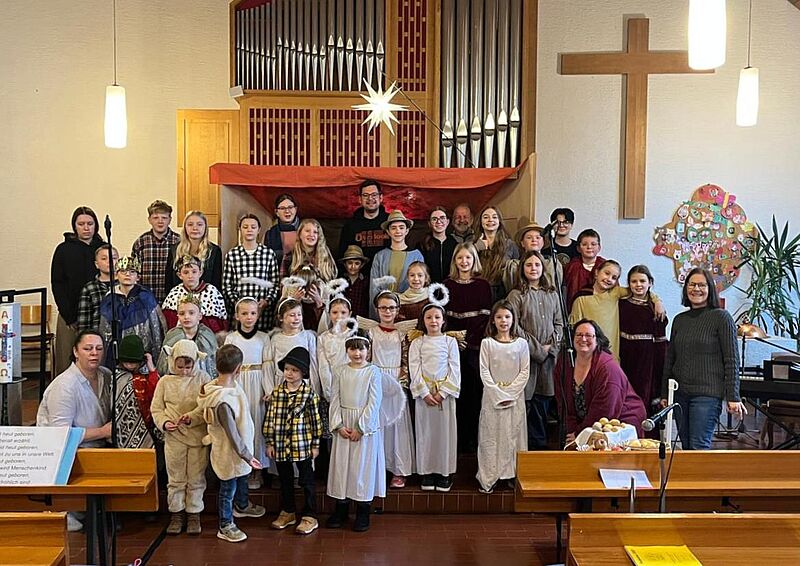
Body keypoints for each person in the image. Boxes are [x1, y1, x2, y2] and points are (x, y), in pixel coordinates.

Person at [37, 329, 111, 532]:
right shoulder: (64, 386)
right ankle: (67, 510)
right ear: (76, 352)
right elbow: (59, 436)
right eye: (88, 349)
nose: (94, 353)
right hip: (67, 451)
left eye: (99, 348)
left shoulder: (105, 375)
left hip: (98, 445)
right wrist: (103, 432)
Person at [662, 268, 743, 450]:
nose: (696, 289)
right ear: (685, 289)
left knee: (698, 447)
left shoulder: (721, 317)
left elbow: (731, 360)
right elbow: (670, 358)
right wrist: (665, 393)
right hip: (680, 394)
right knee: (685, 447)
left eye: (701, 285)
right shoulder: (680, 320)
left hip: (707, 396)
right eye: (692, 284)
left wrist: (733, 396)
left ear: (710, 289)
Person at [196, 344, 266, 543]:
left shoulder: (229, 387)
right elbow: (232, 434)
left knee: (241, 478)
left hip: (239, 450)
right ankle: (225, 524)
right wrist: (247, 456)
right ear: (238, 369)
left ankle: (242, 505)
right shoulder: (223, 401)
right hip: (230, 452)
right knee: (228, 488)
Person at [150, 339, 212, 536]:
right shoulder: (165, 382)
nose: (184, 371)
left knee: (196, 477)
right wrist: (164, 423)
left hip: (196, 437)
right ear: (172, 361)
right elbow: (156, 408)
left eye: (188, 366)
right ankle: (176, 513)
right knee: (175, 477)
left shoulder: (203, 378)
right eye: (180, 366)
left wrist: (192, 418)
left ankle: (194, 513)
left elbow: (207, 406)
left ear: (195, 362)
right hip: (174, 437)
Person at [326, 335, 385, 532]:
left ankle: (362, 510)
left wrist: (361, 427)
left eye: (361, 349)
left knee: (362, 467)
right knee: (342, 466)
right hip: (344, 423)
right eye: (352, 349)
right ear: (347, 351)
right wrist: (338, 425)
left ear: (368, 350)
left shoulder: (373, 372)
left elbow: (374, 401)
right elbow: (335, 398)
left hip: (363, 426)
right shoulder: (339, 371)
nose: (357, 353)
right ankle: (341, 508)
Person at [506, 251, 563, 450]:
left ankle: (541, 448)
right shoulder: (516, 295)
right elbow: (514, 326)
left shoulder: (552, 294)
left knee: (544, 401)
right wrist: (537, 349)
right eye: (528, 265)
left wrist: (551, 347)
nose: (533, 268)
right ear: (522, 268)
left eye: (537, 265)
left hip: (549, 359)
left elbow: (559, 323)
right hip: (526, 357)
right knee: (527, 403)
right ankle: (529, 449)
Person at [554, 319, 647, 440]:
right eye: (579, 335)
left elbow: (604, 410)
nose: (583, 339)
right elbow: (563, 403)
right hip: (587, 425)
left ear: (597, 340)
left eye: (588, 335)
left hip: (619, 422)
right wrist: (572, 431)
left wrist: (580, 434)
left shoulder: (607, 368)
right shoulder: (564, 363)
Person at [264, 347, 323, 535]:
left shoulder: (309, 394)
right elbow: (270, 417)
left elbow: (315, 421)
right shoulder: (277, 393)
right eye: (287, 369)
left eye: (295, 370)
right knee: (285, 480)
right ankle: (288, 511)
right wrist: (270, 442)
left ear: (303, 372)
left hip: (302, 444)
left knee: (306, 480)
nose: (289, 373)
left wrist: (315, 445)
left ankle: (310, 515)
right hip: (281, 445)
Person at [443, 243, 492, 452]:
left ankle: (473, 439)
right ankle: (457, 439)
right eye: (460, 258)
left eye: (468, 258)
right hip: (452, 347)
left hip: (476, 347)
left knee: (474, 393)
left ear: (474, 260)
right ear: (455, 261)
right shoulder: (446, 285)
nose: (464, 262)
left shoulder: (483, 285)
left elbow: (485, 317)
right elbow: (443, 317)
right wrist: (455, 339)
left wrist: (469, 340)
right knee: (456, 392)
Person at [476, 301, 530, 493]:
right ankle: (490, 476)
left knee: (514, 435)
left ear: (513, 319)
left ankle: (512, 474)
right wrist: (498, 394)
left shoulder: (522, 344)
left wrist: (510, 393)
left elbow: (524, 371)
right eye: (499, 317)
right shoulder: (487, 343)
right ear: (493, 320)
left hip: (515, 398)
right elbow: (484, 371)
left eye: (507, 316)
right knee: (492, 436)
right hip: (492, 398)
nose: (503, 321)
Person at [223, 297, 275, 489]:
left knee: (257, 424)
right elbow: (227, 366)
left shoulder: (264, 337)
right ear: (237, 316)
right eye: (244, 313)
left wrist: (268, 389)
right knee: (241, 424)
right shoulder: (231, 338)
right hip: (238, 383)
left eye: (253, 313)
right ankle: (242, 467)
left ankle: (257, 470)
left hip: (257, 383)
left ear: (258, 315)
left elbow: (268, 365)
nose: (249, 317)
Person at [410, 303, 461, 492]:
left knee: (444, 434)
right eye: (429, 317)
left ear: (443, 320)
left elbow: (455, 369)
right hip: (424, 397)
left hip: (444, 397)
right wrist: (424, 393)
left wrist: (443, 393)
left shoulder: (450, 342)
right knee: (426, 433)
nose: (433, 321)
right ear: (423, 321)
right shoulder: (417, 343)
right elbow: (414, 369)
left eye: (437, 317)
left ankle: (444, 472)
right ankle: (427, 472)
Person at [570, 260, 665, 361]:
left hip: (611, 352)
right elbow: (575, 327)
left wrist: (657, 301)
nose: (609, 279)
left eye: (614, 277)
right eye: (607, 273)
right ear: (597, 272)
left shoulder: (615, 293)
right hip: (588, 351)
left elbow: (640, 290)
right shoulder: (581, 297)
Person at [369, 291, 415, 489]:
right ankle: (378, 467)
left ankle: (399, 469)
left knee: (397, 427)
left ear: (397, 310)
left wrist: (400, 381)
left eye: (391, 308)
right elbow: (366, 358)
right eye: (383, 308)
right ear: (377, 309)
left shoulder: (402, 333)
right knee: (378, 426)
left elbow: (407, 359)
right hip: (376, 380)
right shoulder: (370, 332)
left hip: (396, 382)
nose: (387, 311)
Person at [51, 206, 105, 374]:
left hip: (97, 314)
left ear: (96, 225)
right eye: (81, 224)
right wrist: (68, 315)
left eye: (90, 223)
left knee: (96, 361)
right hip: (70, 315)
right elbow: (57, 283)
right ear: (74, 226)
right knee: (67, 360)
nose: (86, 228)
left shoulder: (103, 249)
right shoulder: (63, 249)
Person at [98, 256, 164, 366]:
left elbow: (155, 329)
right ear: (116, 275)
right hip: (117, 349)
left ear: (138, 277)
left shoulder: (146, 297)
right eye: (123, 271)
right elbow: (105, 330)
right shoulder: (110, 299)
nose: (127, 274)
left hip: (142, 348)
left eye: (132, 272)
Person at [619, 265, 668, 414]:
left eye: (642, 281)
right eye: (634, 281)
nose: (638, 285)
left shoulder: (655, 309)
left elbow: (661, 343)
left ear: (650, 283)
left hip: (646, 361)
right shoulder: (621, 304)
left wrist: (660, 369)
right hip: (624, 357)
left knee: (642, 397)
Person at [222, 213, 280, 331]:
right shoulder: (232, 254)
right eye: (245, 227)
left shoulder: (268, 254)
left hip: (263, 313)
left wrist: (266, 301)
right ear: (240, 229)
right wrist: (239, 303)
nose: (249, 230)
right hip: (240, 313)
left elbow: (274, 284)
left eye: (253, 227)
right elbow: (227, 286)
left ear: (258, 230)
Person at [282, 218, 338, 332]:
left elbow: (332, 289)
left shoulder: (326, 258)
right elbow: (283, 287)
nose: (311, 234)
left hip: (319, 311)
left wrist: (319, 300)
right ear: (300, 234)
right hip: (296, 312)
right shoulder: (290, 257)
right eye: (307, 231)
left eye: (315, 232)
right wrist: (293, 300)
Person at [368, 210, 424, 318]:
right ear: (388, 232)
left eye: (401, 227)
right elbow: (374, 287)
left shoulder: (416, 256)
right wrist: (377, 313)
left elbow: (420, 286)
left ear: (407, 230)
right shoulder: (380, 256)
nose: (398, 231)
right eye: (393, 228)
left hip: (408, 309)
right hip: (385, 309)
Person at [267, 298, 319, 398]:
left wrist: (315, 389)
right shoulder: (275, 339)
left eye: (299, 314)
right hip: (281, 385)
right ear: (281, 318)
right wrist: (270, 391)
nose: (297, 318)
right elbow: (271, 366)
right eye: (292, 315)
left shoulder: (308, 337)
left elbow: (313, 365)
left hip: (302, 386)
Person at [115, 334, 160, 449]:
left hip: (148, 425)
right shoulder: (116, 377)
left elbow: (157, 392)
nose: (130, 365)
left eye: (133, 362)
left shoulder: (145, 378)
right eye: (126, 361)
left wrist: (151, 369)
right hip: (122, 428)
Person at [162, 255, 228, 333]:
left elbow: (219, 324)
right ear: (179, 275)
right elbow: (168, 323)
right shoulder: (175, 293)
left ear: (200, 273)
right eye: (186, 272)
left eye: (194, 272)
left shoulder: (212, 292)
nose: (190, 276)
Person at [131, 200, 181, 302]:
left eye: (164, 218)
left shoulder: (179, 242)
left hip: (173, 300)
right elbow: (134, 272)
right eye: (155, 218)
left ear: (170, 220)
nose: (160, 221)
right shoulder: (141, 242)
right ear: (149, 220)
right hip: (145, 300)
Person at [158, 296, 218, 378]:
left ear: (200, 316)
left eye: (191, 313)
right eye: (182, 313)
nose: (186, 317)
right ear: (178, 316)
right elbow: (164, 366)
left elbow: (212, 365)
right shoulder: (172, 336)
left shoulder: (207, 336)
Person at [164, 210, 223, 292]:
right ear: (185, 227)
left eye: (199, 224)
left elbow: (216, 283)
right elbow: (169, 282)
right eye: (190, 224)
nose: (195, 228)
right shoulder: (174, 250)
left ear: (205, 227)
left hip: (207, 297)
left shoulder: (214, 251)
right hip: (178, 297)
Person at [473, 206, 519, 301]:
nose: (490, 220)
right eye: (486, 217)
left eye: (494, 217)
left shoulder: (510, 245)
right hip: (478, 291)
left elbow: (517, 271)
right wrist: (477, 248)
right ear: (480, 222)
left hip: (504, 294)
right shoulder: (473, 244)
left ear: (499, 221)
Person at [503, 223, 563, 294]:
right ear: (522, 243)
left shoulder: (552, 264)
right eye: (529, 237)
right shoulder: (513, 266)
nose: (534, 240)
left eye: (538, 237)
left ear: (543, 242)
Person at [338, 180, 390, 261]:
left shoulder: (390, 221)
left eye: (374, 195)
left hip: (386, 268)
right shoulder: (350, 225)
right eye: (365, 195)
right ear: (360, 199)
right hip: (358, 269)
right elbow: (342, 255)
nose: (370, 198)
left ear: (380, 198)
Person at [76, 245, 118, 332]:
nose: (109, 261)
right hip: (98, 336)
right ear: (96, 264)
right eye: (104, 258)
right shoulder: (90, 288)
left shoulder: (125, 285)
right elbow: (84, 322)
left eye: (114, 258)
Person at [564, 228, 606, 310]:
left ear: (599, 248)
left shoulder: (605, 266)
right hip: (577, 308)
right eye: (584, 244)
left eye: (593, 244)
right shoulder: (572, 266)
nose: (589, 247)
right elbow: (568, 291)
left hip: (600, 309)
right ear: (578, 248)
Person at [264, 193, 300, 277]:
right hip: (277, 277)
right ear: (276, 212)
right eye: (282, 208)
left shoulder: (306, 229)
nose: (287, 211)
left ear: (295, 209)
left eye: (290, 207)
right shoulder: (270, 234)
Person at [420, 207, 457, 283]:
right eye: (434, 219)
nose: (438, 221)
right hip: (429, 287)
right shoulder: (422, 245)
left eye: (442, 218)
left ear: (447, 222)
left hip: (451, 286)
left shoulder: (455, 244)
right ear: (429, 223)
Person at [339, 245, 370, 318]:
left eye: (357, 263)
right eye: (350, 263)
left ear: (361, 265)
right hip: (343, 319)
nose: (353, 266)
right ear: (345, 264)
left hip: (361, 320)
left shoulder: (366, 282)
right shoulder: (339, 282)